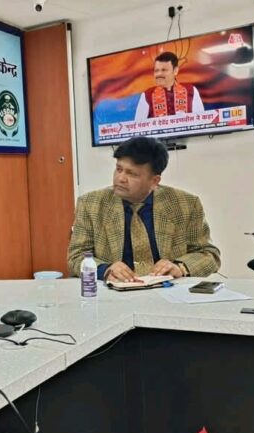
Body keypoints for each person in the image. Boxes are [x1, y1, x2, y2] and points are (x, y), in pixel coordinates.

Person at [67, 136, 220, 281]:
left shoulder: (185, 204)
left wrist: (180, 267)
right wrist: (105, 269)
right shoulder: (90, 204)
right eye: (119, 169)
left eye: (132, 174)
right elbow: (76, 257)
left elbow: (209, 255)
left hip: (168, 290)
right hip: (114, 292)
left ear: (154, 181)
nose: (120, 178)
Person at [134, 52, 205, 121]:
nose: (159, 74)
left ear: (175, 71)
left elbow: (201, 120)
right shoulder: (147, 95)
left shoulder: (191, 90)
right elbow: (138, 125)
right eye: (156, 70)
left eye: (164, 70)